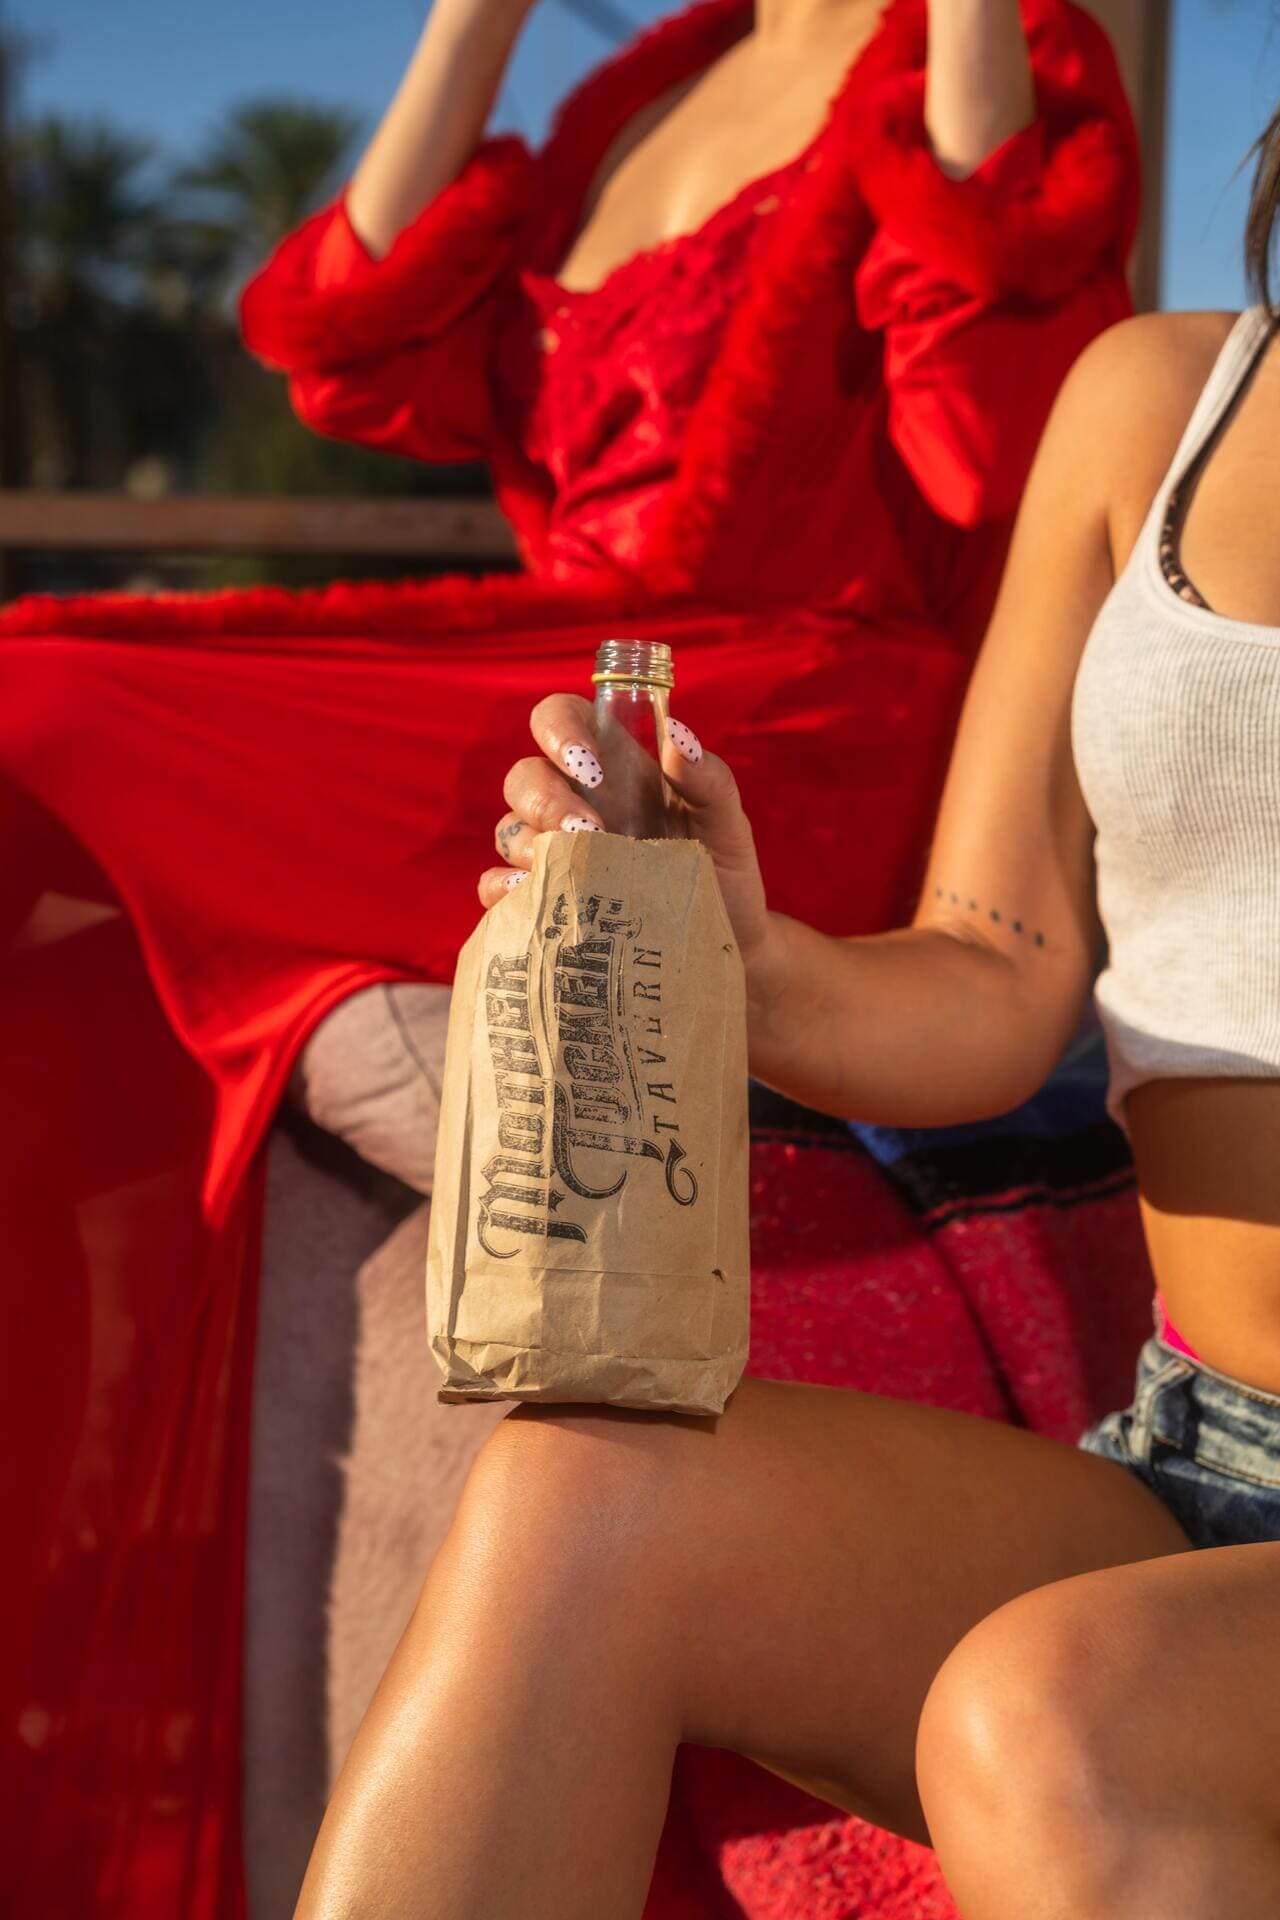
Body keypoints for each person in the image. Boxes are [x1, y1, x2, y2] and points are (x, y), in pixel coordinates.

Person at [0, 2, 1140, 1913]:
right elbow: (345, 351)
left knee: (34, 705)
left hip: (784, 715)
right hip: (565, 657)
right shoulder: (634, 79)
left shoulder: (998, 42)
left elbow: (978, 442)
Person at [292, 99, 1280, 1920]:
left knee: (1049, 1715)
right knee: (583, 1506)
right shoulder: (1162, 403)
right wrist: (751, 959)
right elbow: (993, 966)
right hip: (1198, 1447)